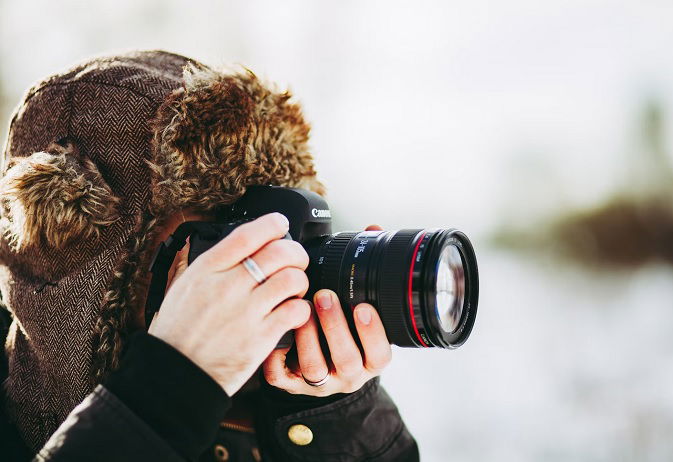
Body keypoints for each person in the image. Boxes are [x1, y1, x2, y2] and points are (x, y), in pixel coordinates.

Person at [0, 50, 419, 461]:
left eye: (284, 238)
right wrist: (170, 386)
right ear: (96, 272)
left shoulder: (282, 409)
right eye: (227, 242)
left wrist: (330, 420)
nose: (271, 269)